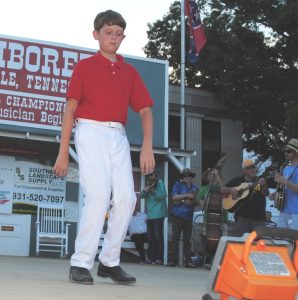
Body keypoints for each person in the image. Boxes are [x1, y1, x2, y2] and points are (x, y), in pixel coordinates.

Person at [53, 10, 155, 285]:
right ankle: (81, 262)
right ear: (96, 34)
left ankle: (109, 262)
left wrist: (147, 147)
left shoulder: (129, 71)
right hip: (89, 130)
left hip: (118, 134)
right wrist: (63, 151)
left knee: (127, 199)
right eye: (108, 32)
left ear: (123, 37)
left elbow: (145, 110)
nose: (113, 38)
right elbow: (70, 109)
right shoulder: (85, 67)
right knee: (98, 196)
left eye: (118, 34)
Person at [220, 160, 268, 236]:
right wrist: (230, 190)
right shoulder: (238, 180)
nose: (253, 169)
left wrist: (264, 185)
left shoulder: (260, 180)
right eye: (249, 168)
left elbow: (266, 193)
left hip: (259, 218)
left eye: (254, 167)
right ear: (244, 171)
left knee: (258, 243)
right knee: (240, 242)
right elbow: (222, 189)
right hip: (242, 218)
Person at [167, 168, 198, 268]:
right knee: (175, 237)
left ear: (191, 177)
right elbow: (174, 197)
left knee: (187, 239)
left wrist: (195, 200)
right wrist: (187, 195)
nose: (187, 177)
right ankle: (172, 260)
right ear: (182, 177)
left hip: (189, 216)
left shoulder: (195, 188)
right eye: (185, 176)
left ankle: (188, 261)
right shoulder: (177, 185)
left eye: (189, 176)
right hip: (178, 215)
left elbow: (196, 201)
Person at [270, 139, 298, 230]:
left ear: (296, 152)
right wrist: (276, 194)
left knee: (294, 241)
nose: (286, 153)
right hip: (283, 211)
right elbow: (284, 188)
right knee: (281, 240)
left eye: (289, 151)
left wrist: (284, 182)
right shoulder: (286, 169)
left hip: (296, 213)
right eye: (285, 151)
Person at [141, 171, 167, 265]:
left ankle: (159, 258)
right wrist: (145, 190)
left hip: (159, 214)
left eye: (152, 175)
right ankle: (151, 258)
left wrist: (153, 191)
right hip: (150, 215)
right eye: (149, 176)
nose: (151, 177)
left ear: (156, 175)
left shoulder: (160, 182)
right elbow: (142, 196)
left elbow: (162, 195)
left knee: (158, 237)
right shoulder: (149, 184)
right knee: (151, 237)